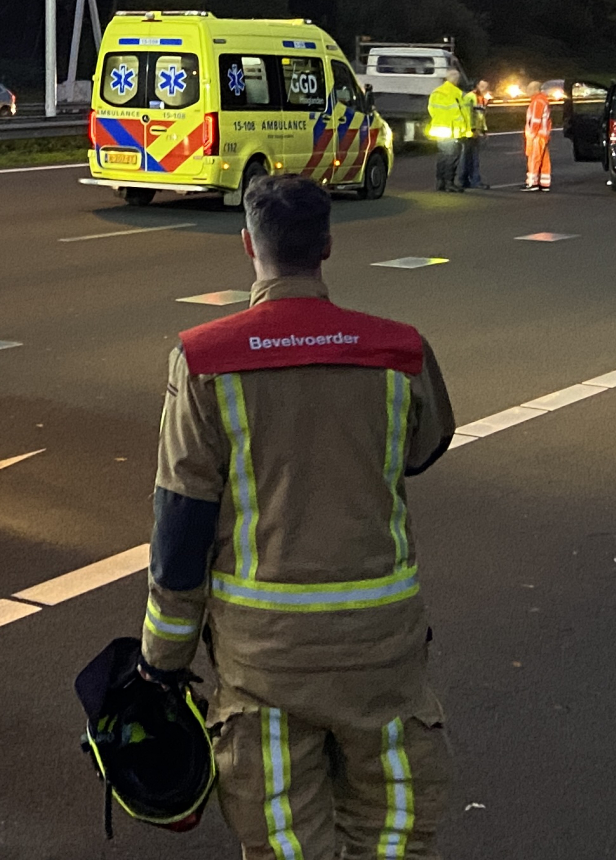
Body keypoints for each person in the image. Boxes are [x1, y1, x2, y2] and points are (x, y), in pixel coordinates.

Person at [141, 174, 456, 858]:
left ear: (249, 244)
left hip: (265, 664)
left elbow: (181, 525)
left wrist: (162, 662)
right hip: (382, 655)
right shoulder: (399, 352)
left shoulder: (203, 361)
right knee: (394, 833)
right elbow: (425, 448)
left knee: (285, 843)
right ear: (328, 247)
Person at [425, 73, 466, 194]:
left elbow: (431, 110)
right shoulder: (455, 92)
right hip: (451, 130)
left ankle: (440, 182)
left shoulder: (436, 92)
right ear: (455, 79)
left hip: (438, 129)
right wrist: (463, 129)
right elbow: (457, 113)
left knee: (442, 156)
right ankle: (449, 183)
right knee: (452, 157)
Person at [523, 87, 553, 192]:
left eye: (529, 89)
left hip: (537, 135)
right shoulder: (543, 100)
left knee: (534, 159)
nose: (527, 92)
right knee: (544, 160)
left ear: (534, 90)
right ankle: (545, 183)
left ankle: (532, 183)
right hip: (543, 135)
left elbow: (535, 120)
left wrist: (531, 134)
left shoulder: (537, 102)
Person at [459, 88, 488, 190]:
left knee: (468, 158)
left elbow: (480, 116)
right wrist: (474, 129)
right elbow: (469, 115)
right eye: (483, 85)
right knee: (472, 159)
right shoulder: (472, 97)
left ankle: (464, 181)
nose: (485, 88)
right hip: (470, 132)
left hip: (471, 131)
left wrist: (483, 130)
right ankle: (475, 181)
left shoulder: (479, 98)